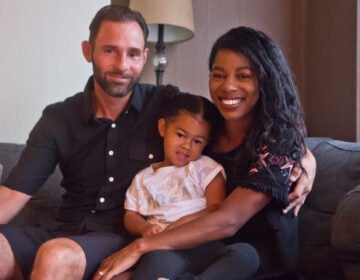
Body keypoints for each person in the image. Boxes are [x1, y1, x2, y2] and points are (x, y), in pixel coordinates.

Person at [0, 5, 314, 280]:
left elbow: (251, 137)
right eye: (110, 50)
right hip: (94, 233)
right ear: (88, 51)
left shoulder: (167, 104)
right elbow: (14, 192)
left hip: (168, 243)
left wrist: (304, 155)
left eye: (133, 53)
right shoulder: (59, 117)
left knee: (65, 257)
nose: (122, 65)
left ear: (145, 56)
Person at [93, 26, 315, 280]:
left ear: (265, 81)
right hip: (198, 259)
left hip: (257, 268)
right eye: (218, 75)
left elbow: (227, 220)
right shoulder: (204, 136)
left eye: (243, 76)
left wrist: (140, 246)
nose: (228, 86)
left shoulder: (278, 145)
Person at [125, 92, 260, 280]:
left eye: (197, 141)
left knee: (246, 255)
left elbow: (216, 207)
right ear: (163, 127)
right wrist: (143, 228)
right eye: (180, 135)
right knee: (150, 271)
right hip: (163, 248)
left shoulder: (206, 168)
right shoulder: (144, 178)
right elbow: (130, 214)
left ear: (206, 143)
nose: (187, 146)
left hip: (206, 245)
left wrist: (184, 222)